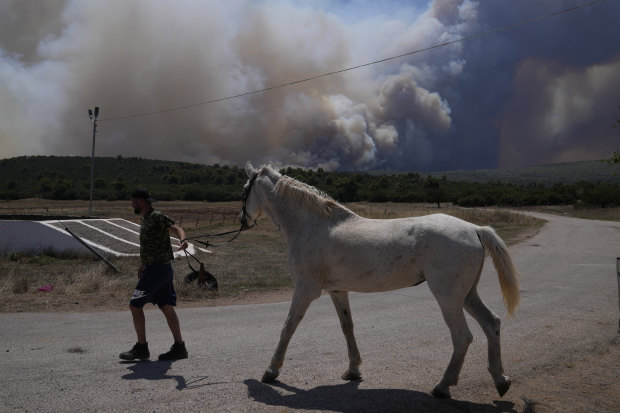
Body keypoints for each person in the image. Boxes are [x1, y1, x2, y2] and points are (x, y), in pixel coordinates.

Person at [120, 188, 189, 361]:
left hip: (158, 270)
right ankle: (180, 348)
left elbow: (176, 228)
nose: (132, 203)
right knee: (166, 307)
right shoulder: (145, 219)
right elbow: (149, 245)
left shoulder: (156, 216)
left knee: (135, 306)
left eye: (133, 200)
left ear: (141, 201)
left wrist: (183, 240)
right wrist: (143, 264)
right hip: (158, 268)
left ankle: (142, 348)